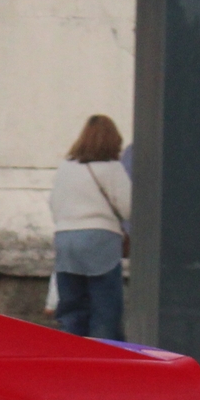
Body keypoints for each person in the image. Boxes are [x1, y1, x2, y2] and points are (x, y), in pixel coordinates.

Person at [49, 115, 130, 341]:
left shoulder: (66, 168)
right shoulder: (112, 169)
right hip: (99, 240)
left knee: (71, 306)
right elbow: (128, 207)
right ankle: (102, 357)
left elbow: (54, 204)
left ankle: (71, 356)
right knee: (104, 308)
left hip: (65, 239)